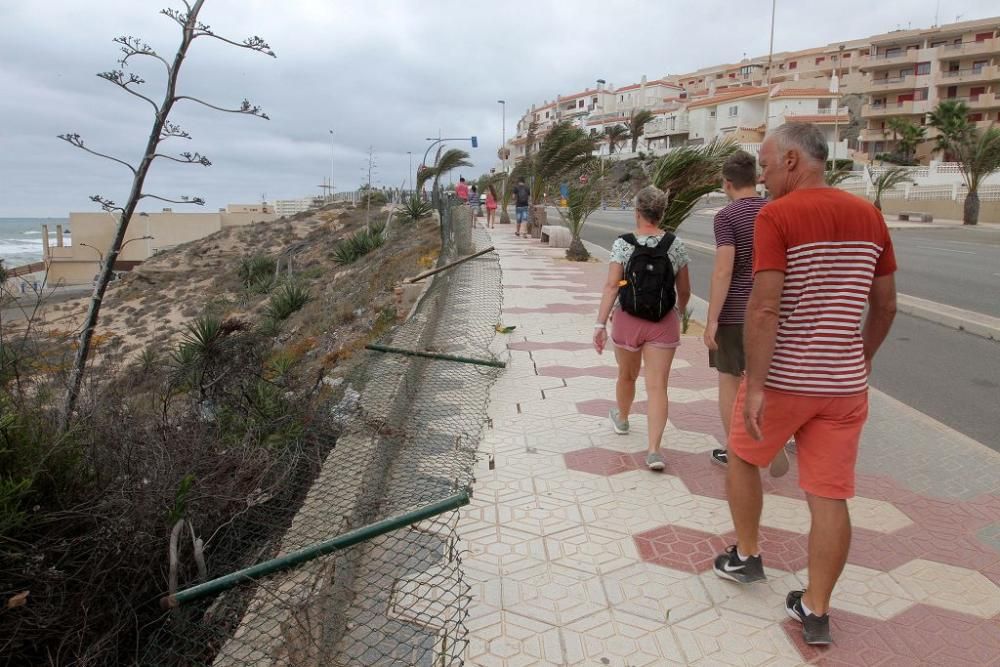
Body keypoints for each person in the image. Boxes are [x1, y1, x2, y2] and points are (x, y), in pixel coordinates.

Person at [712, 123, 897, 647]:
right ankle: (816, 609)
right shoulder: (870, 216)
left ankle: (747, 556)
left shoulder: (779, 215)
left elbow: (765, 306)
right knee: (829, 495)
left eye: (768, 166)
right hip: (843, 388)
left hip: (786, 378)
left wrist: (755, 387)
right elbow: (885, 307)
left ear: (793, 161)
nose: (764, 177)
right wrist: (856, 360)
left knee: (744, 457)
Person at [593, 186, 691, 471]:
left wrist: (600, 324)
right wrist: (678, 313)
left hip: (627, 320)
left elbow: (613, 285)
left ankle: (622, 419)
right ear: (661, 213)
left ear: (637, 212)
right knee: (658, 386)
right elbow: (684, 290)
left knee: (627, 375)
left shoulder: (623, 244)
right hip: (663, 323)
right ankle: (654, 451)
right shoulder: (675, 244)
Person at [703, 151, 771, 469]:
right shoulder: (775, 211)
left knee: (730, 380)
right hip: (771, 312)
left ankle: (736, 451)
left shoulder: (727, 217)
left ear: (726, 183)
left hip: (735, 314)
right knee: (765, 379)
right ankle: (772, 436)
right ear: (756, 177)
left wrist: (711, 320)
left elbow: (723, 271)